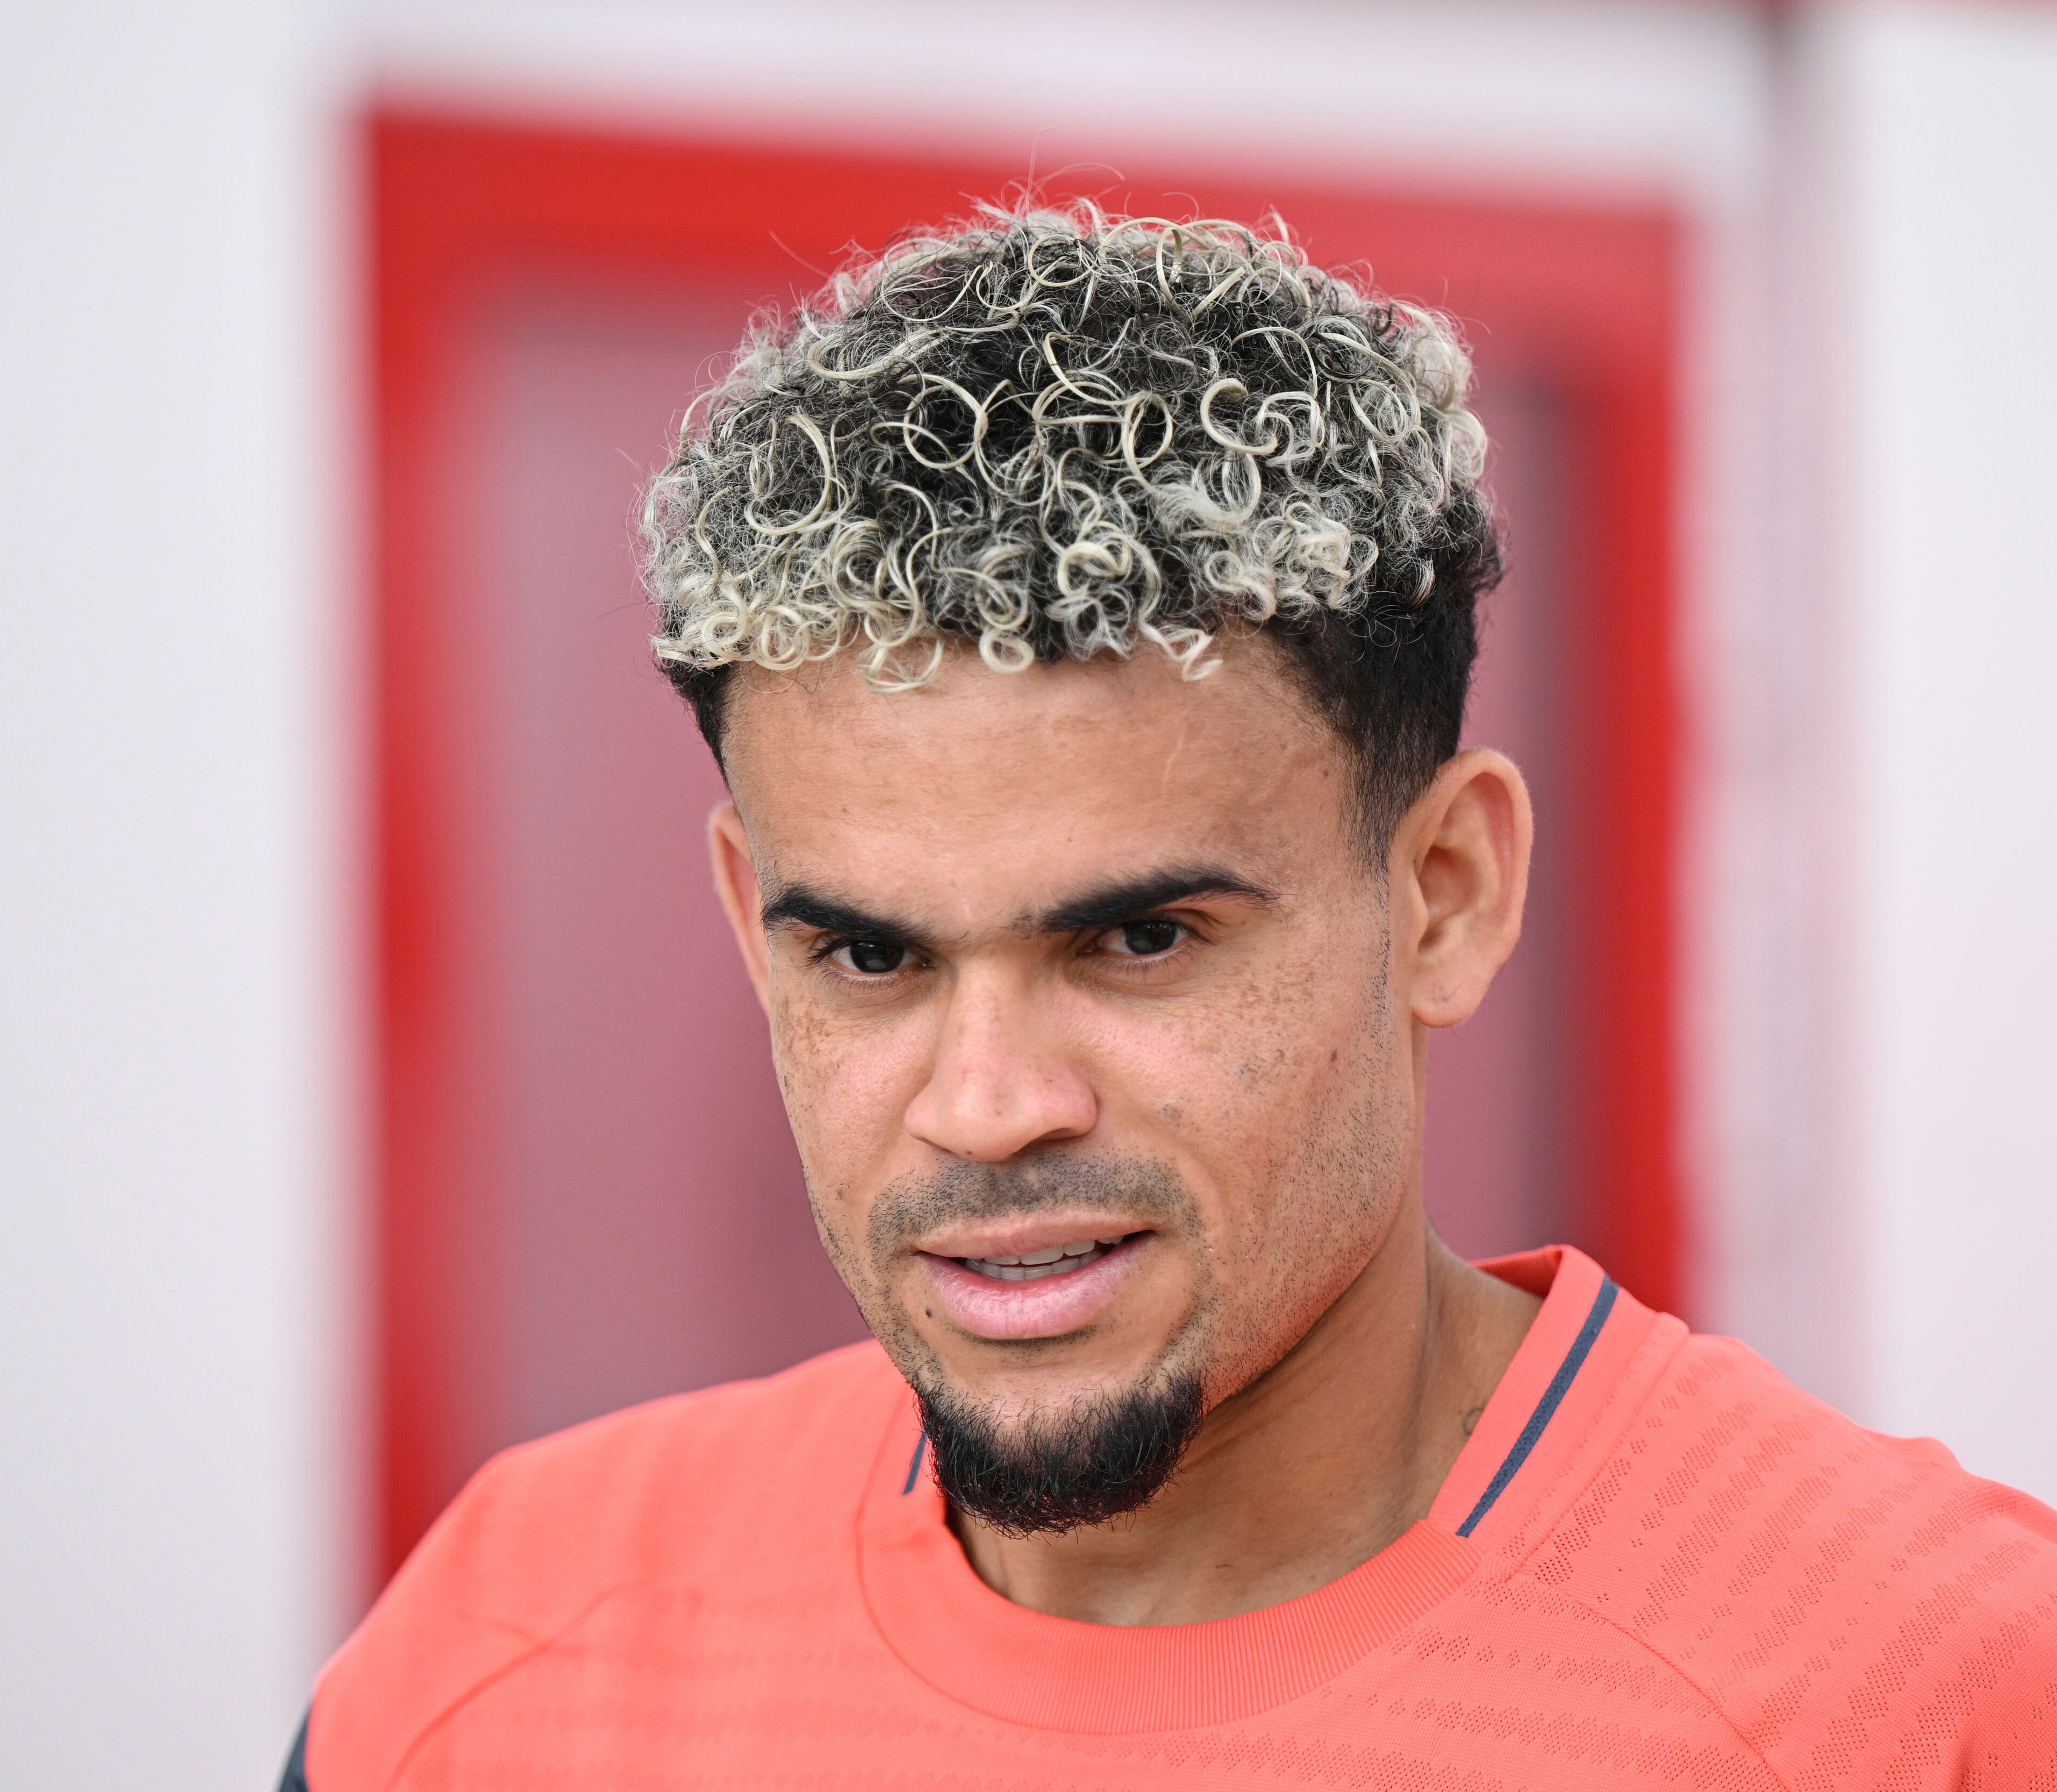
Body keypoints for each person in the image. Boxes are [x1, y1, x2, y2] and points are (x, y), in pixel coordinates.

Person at [290, 204, 2057, 1787]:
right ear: (755, 920)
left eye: (1140, 940)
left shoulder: (1932, 1696)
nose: (985, 1105)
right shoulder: (507, 1658)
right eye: (873, 956)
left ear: (1446, 893)